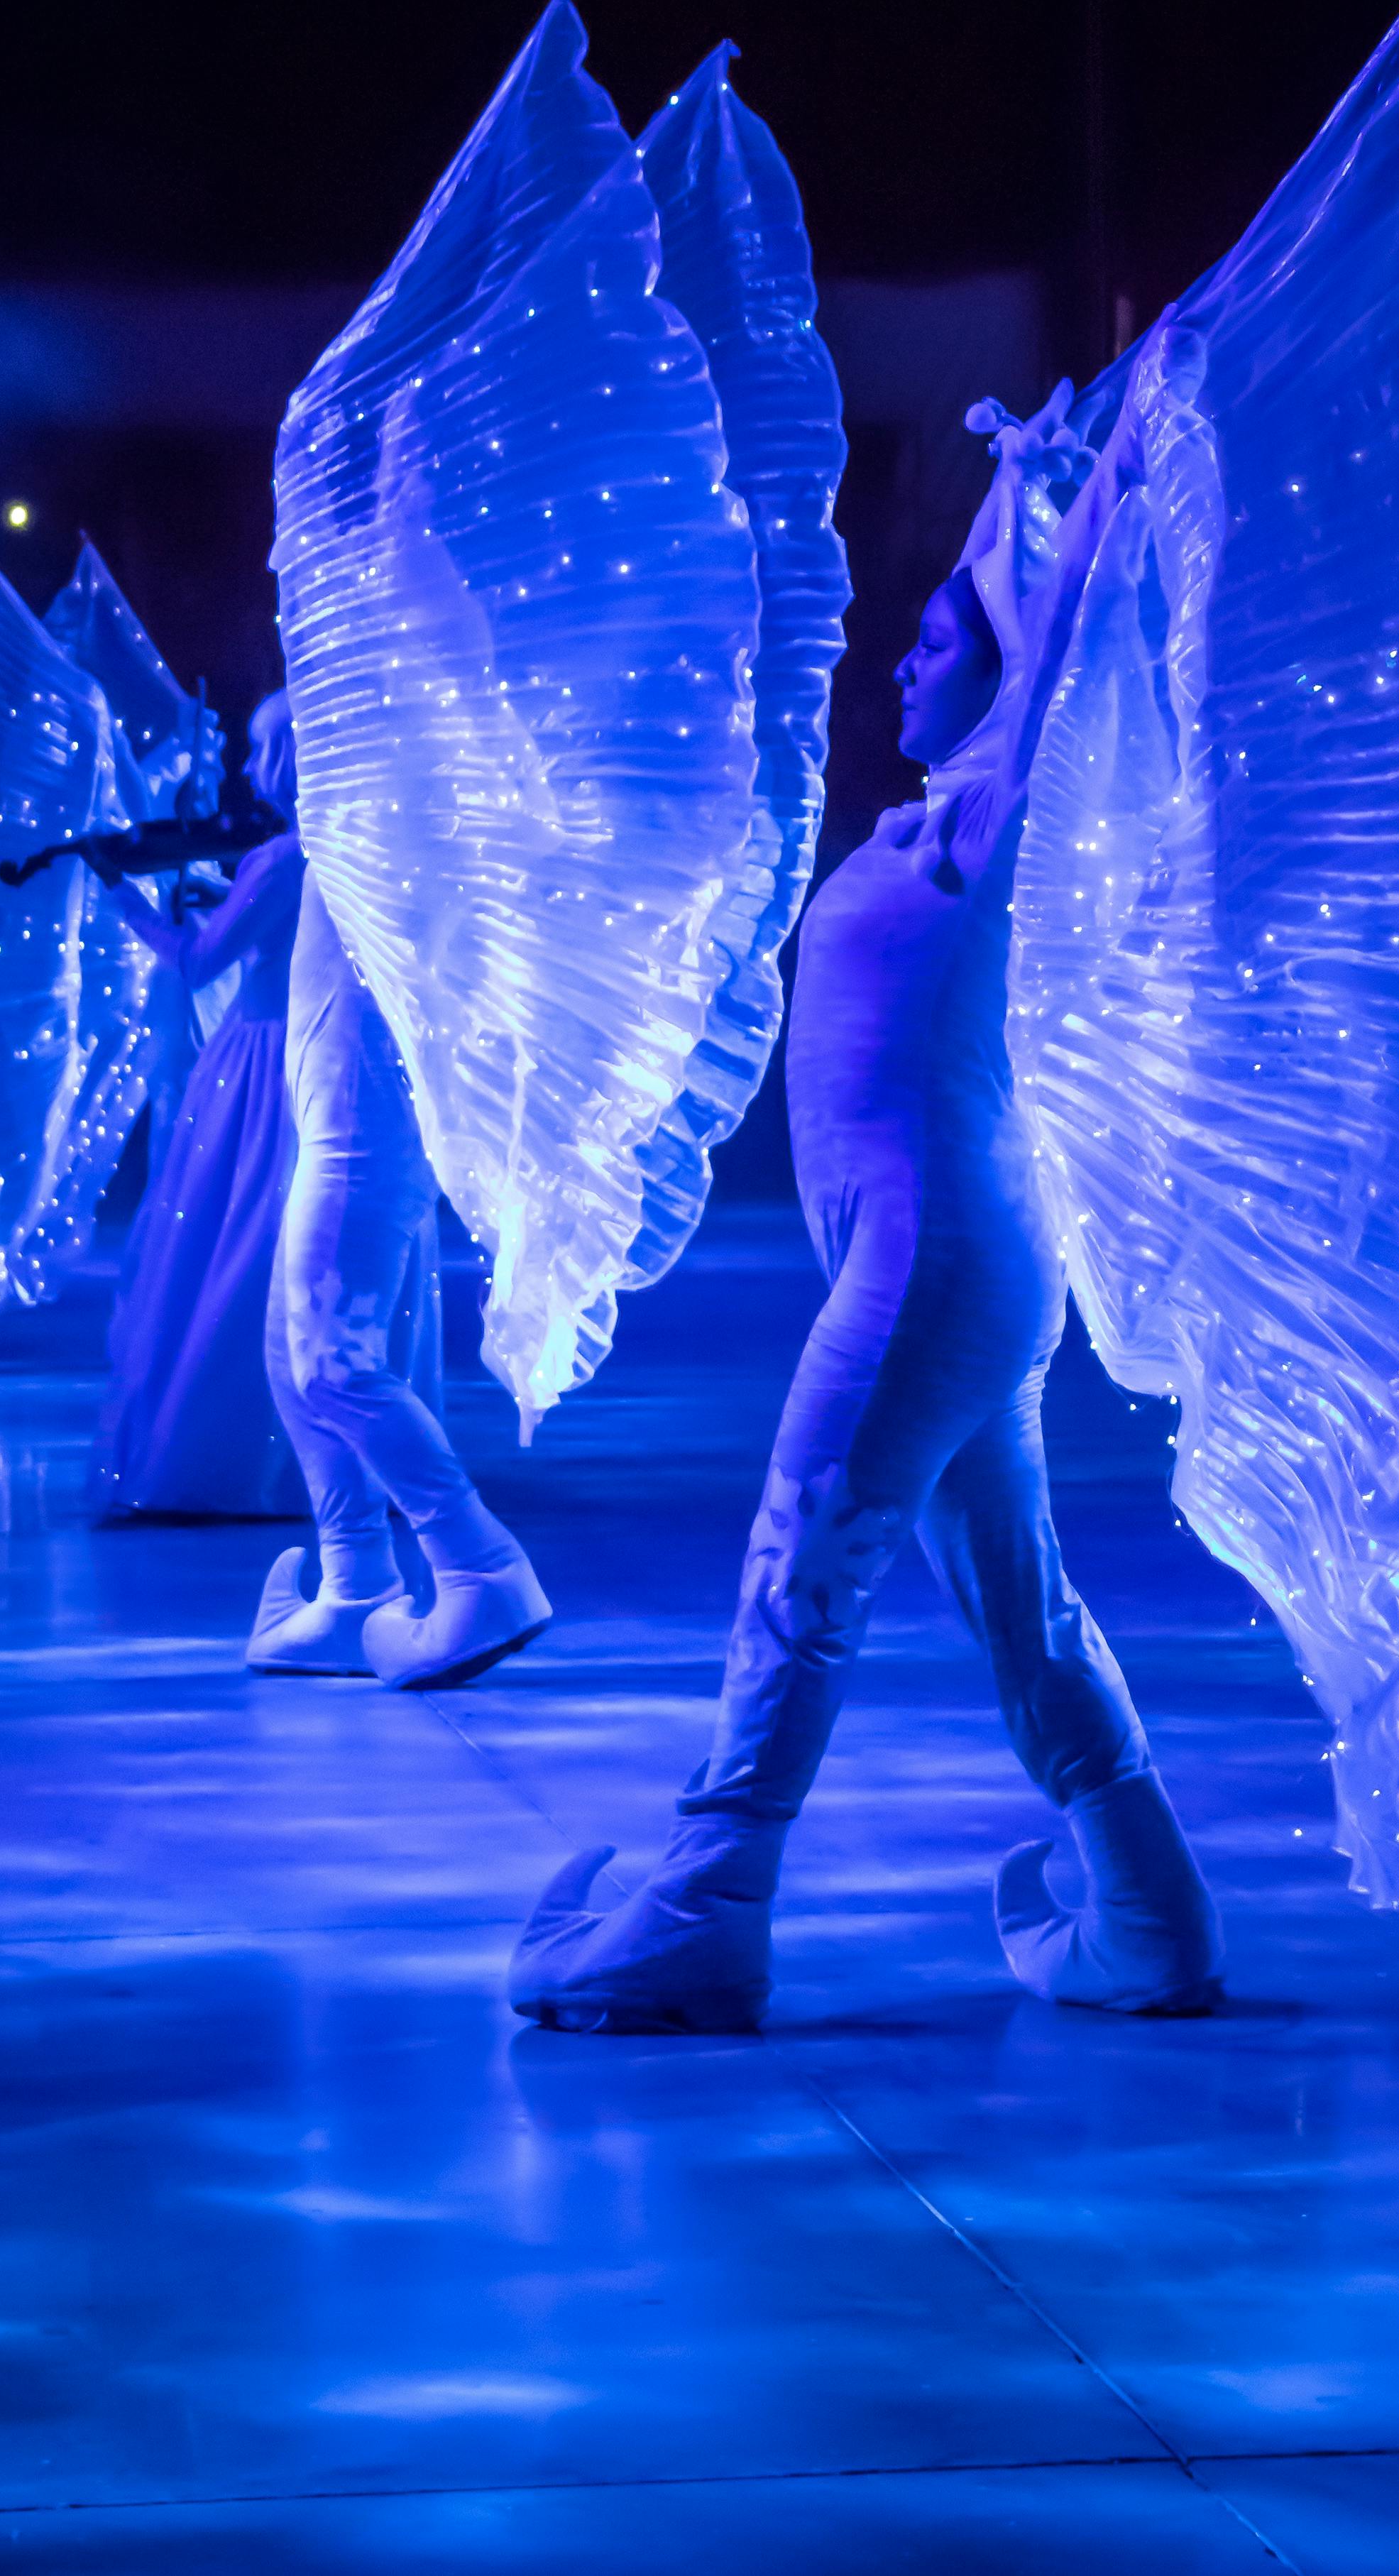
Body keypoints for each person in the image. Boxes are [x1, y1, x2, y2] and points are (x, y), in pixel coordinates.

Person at [509, 387, 1221, 2031]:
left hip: (934, 1261)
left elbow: (1056, 639)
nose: (901, 665)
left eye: (932, 641)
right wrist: (1015, 483)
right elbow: (1011, 608)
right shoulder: (940, 819)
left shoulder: (997, 809)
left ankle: (707, 1904)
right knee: (1015, 1598)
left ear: (996, 666)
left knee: (804, 1555)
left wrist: (1102, 468)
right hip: (952, 1258)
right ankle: (1151, 1912)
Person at [247, 861, 554, 1689]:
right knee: (293, 1359)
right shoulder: (347, 810)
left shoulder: (383, 792)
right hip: (339, 1122)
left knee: (333, 1367)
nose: (259, 761)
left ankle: (482, 1568)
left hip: (361, 1126)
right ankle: (355, 1588)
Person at [89, 691, 309, 1520]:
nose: (249, 772)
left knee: (229, 1252)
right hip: (295, 1057)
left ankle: (216, 1457)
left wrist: (126, 900)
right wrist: (225, 892)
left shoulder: (285, 859)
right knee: (265, 1251)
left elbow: (195, 966)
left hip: (257, 1067)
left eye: (262, 753)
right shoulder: (315, 854)